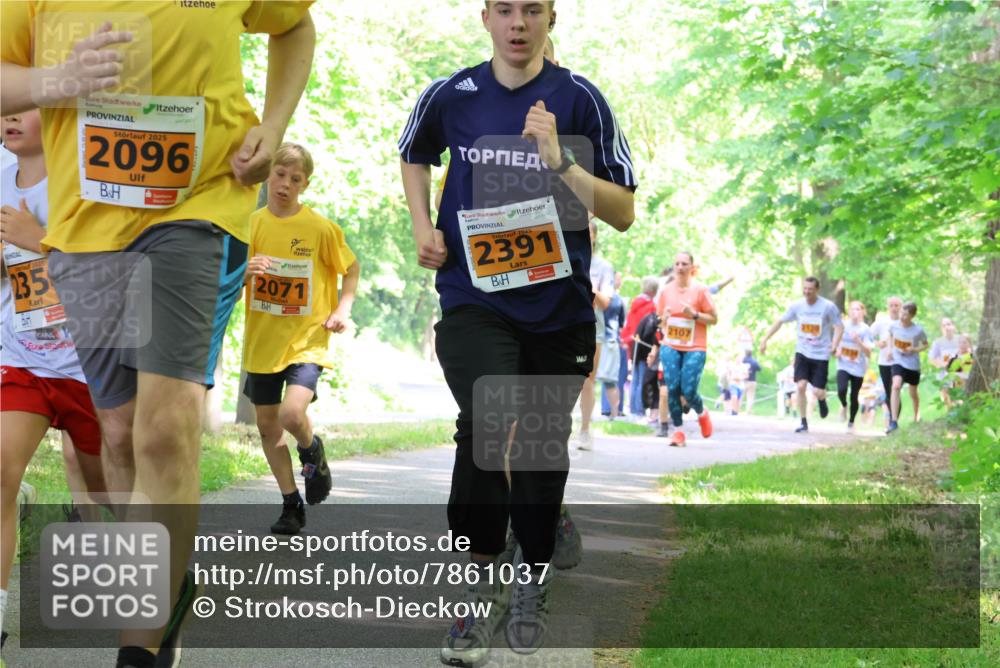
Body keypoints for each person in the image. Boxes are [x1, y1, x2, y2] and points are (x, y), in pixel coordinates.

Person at [2, 4, 316, 666]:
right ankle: (165, 580)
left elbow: (292, 24)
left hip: (197, 205)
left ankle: (136, 651)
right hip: (83, 226)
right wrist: (56, 79)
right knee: (117, 434)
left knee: (164, 430)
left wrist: (273, 124)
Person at [398, 0, 636, 662]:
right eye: (505, 9)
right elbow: (412, 152)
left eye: (531, 9)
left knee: (535, 447)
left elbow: (622, 212)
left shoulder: (581, 100)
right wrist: (423, 224)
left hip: (556, 308)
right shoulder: (452, 94)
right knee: (487, 415)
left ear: (550, 18)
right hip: (475, 295)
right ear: (486, 18)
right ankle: (478, 595)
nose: (518, 22)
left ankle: (531, 565)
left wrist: (560, 160)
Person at [0, 109, 106, 653]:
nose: (9, 114)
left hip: (89, 365)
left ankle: (162, 584)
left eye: (24, 105)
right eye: (4, 105)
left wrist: (38, 240)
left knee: (107, 490)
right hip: (22, 359)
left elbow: (109, 272)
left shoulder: (83, 175)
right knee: (1, 470)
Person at [242, 143, 359, 535]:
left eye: (295, 179)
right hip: (263, 343)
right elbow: (228, 276)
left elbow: (352, 268)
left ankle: (311, 449)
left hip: (307, 339)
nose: (285, 184)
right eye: (279, 175)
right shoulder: (251, 224)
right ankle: (291, 503)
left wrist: (342, 310)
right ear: (268, 175)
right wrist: (246, 271)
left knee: (292, 415)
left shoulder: (319, 229)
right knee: (267, 428)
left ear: (305, 185)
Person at [648, 252, 716, 446]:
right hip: (671, 345)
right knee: (672, 387)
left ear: (691, 268)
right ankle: (678, 432)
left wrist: (694, 314)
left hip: (695, 346)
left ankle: (702, 412)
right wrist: (665, 318)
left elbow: (714, 319)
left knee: (688, 388)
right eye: (677, 263)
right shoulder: (666, 291)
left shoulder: (701, 290)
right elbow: (659, 321)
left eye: (684, 264)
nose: (680, 267)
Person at [759, 277, 843, 433]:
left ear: (817, 290)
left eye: (810, 289)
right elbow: (780, 322)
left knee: (818, 391)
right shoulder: (797, 306)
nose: (807, 292)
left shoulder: (827, 307)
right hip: (802, 352)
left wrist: (835, 344)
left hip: (820, 354)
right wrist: (765, 339)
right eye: (805, 288)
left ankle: (822, 399)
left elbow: (839, 326)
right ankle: (803, 421)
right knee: (801, 386)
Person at [577, 220, 615, 448]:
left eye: (587, 231)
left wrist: (585, 285)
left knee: (587, 379)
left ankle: (584, 430)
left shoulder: (602, 267)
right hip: (563, 324)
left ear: (594, 237)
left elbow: (605, 302)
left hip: (592, 326)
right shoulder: (563, 256)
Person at [886, 301, 929, 433]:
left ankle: (917, 415)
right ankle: (893, 421)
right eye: (902, 313)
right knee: (896, 385)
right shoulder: (893, 326)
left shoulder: (918, 330)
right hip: (898, 361)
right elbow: (890, 336)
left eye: (906, 315)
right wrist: (889, 349)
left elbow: (926, 344)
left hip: (912, 365)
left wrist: (914, 349)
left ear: (912, 316)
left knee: (913, 393)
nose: (902, 317)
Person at [835, 301, 874, 432]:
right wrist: (837, 351)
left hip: (858, 367)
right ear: (849, 311)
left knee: (854, 395)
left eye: (858, 309)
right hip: (843, 365)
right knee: (841, 390)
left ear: (863, 312)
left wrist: (859, 342)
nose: (855, 312)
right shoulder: (843, 325)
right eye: (852, 309)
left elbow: (869, 353)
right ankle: (844, 405)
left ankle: (851, 422)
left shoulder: (865, 329)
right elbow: (834, 342)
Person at [622, 276, 657, 418]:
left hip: (634, 343)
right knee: (643, 378)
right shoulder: (651, 306)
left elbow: (629, 324)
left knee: (635, 378)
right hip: (646, 345)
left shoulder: (634, 305)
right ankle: (639, 409)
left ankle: (634, 408)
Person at [871, 296, 903, 425]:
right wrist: (877, 343)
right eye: (892, 305)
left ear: (901, 307)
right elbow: (868, 336)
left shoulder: (904, 322)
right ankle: (893, 420)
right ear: (888, 307)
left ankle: (893, 421)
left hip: (901, 362)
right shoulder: (881, 322)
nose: (894, 308)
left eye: (897, 305)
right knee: (890, 392)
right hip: (884, 361)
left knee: (896, 388)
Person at [599, 271, 625, 419]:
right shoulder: (615, 299)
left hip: (608, 340)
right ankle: (614, 414)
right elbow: (621, 323)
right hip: (608, 341)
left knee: (608, 380)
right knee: (610, 380)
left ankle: (613, 414)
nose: (619, 282)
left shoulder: (616, 299)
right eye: (617, 279)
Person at [929, 317, 960, 408]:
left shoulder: (960, 340)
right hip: (944, 375)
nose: (946, 327)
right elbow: (932, 359)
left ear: (953, 326)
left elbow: (968, 354)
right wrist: (943, 364)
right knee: (948, 401)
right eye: (944, 325)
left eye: (949, 324)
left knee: (959, 398)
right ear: (941, 329)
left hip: (959, 374)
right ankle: (950, 415)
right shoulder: (938, 342)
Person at [742, 348, 762, 414]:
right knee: (750, 396)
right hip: (752, 380)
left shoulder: (742, 360)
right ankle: (748, 411)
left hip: (742, 380)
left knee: (740, 395)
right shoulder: (754, 361)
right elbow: (759, 369)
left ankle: (736, 409)